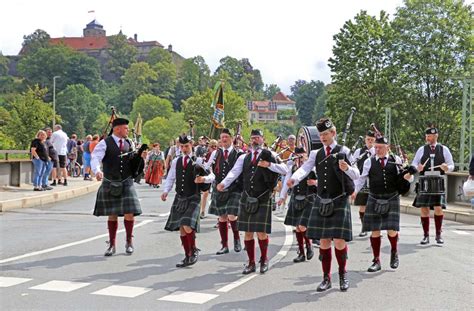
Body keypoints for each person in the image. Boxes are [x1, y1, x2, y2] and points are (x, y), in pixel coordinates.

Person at [287, 117, 360, 292]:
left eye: (326, 134)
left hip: (339, 199)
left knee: (340, 241)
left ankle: (342, 275)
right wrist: (294, 179)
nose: (323, 137)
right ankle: (326, 278)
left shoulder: (344, 150)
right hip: (322, 200)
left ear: (333, 133)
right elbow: (305, 169)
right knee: (325, 241)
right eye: (321, 135)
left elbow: (356, 174)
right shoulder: (315, 153)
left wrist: (347, 169)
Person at [217, 129, 288, 274]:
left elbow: (285, 169)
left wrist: (269, 165)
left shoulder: (271, 155)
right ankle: (251, 262)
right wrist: (224, 183)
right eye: (253, 138)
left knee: (261, 233)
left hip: (262, 198)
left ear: (262, 139)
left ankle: (264, 259)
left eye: (257, 138)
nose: (255, 140)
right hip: (247, 197)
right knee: (248, 233)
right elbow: (234, 172)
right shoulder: (244, 157)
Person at [355, 135, 414, 272]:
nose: (377, 149)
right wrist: (354, 191)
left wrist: (409, 176)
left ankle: (394, 253)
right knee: (375, 230)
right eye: (375, 147)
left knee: (391, 231)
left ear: (388, 147)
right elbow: (362, 179)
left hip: (391, 197)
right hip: (374, 197)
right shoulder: (369, 162)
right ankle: (376, 260)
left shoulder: (396, 160)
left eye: (380, 147)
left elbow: (405, 179)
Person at [91, 118, 145, 256]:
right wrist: (97, 170)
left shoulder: (129, 143)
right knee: (112, 214)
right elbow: (95, 158)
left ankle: (129, 242)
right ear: (117, 129)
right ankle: (112, 244)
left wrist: (139, 157)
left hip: (127, 181)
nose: (128, 130)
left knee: (130, 213)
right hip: (110, 181)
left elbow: (133, 162)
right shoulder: (105, 143)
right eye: (125, 128)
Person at [161, 135, 214, 268]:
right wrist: (166, 191)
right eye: (182, 146)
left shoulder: (199, 160)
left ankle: (194, 250)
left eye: (186, 146)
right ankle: (187, 255)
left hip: (193, 197)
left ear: (191, 145)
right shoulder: (176, 161)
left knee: (187, 225)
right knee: (182, 229)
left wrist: (203, 179)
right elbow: (171, 177)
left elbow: (212, 176)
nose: (184, 149)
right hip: (180, 197)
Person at [411, 127, 454, 245]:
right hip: (424, 181)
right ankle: (425, 236)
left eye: (429, 136)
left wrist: (447, 167)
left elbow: (451, 165)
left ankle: (438, 235)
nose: (427, 138)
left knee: (438, 208)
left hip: (438, 182)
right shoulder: (421, 149)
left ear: (436, 136)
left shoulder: (444, 149)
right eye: (426, 136)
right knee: (424, 209)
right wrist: (417, 167)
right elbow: (414, 163)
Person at [205, 129, 244, 255]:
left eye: (226, 137)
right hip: (219, 188)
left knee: (232, 215)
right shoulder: (215, 153)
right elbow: (208, 168)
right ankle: (225, 245)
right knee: (222, 217)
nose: (224, 139)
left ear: (232, 138)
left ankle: (237, 239)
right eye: (222, 137)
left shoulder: (239, 153)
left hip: (235, 188)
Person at [279, 147, 316, 263]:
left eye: (302, 156)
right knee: (297, 227)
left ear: (306, 156)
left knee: (302, 226)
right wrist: (281, 196)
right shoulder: (292, 168)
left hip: (309, 198)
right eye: (298, 156)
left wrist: (315, 182)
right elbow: (286, 183)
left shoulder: (312, 168)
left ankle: (309, 246)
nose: (300, 158)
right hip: (296, 198)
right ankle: (301, 252)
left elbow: (325, 182)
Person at [350, 130, 376, 237]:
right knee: (363, 206)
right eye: (368, 139)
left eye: (372, 140)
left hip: (374, 181)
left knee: (375, 206)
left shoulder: (377, 151)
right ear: (365, 139)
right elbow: (353, 165)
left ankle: (375, 228)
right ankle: (364, 227)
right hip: (362, 181)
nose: (369, 142)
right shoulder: (358, 152)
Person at [200, 139, 218, 219]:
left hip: (216, 175)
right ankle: (202, 210)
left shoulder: (219, 154)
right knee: (205, 193)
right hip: (208, 174)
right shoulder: (207, 154)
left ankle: (219, 214)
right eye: (212, 146)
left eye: (215, 146)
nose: (214, 148)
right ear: (209, 147)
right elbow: (205, 165)